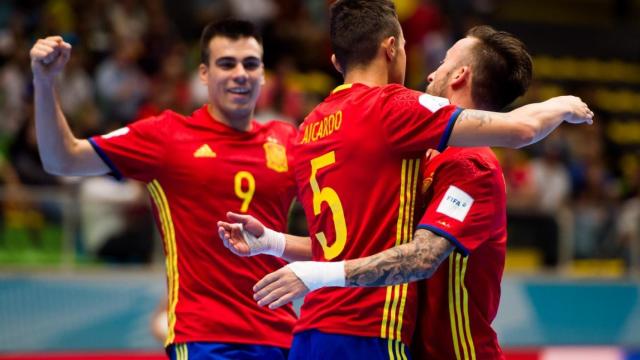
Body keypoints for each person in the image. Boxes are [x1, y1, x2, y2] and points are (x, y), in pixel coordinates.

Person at [218, 1, 593, 359]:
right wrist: (274, 242)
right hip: (379, 335)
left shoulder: (469, 165)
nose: (430, 71)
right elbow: (354, 243)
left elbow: (421, 257)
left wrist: (296, 259)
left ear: (461, 75)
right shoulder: (400, 129)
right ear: (391, 48)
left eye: (444, 61)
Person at [30, 19, 302, 360]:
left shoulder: (288, 140)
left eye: (250, 64)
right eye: (226, 63)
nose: (240, 74)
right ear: (204, 74)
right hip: (206, 339)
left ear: (264, 74)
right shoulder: (166, 136)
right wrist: (44, 81)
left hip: (284, 338)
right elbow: (62, 159)